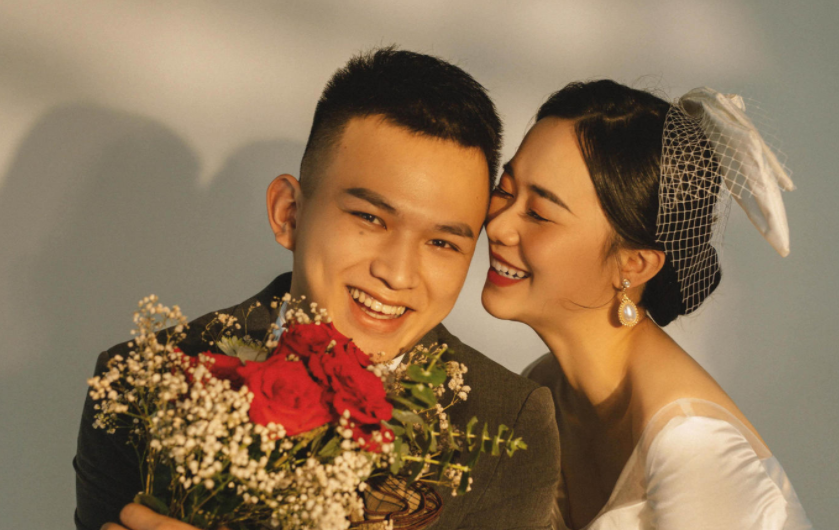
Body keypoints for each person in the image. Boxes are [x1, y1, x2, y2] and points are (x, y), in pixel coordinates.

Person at [75, 48, 561, 530]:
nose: (397, 274)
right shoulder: (138, 381)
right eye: (370, 218)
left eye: (441, 242)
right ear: (289, 213)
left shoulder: (509, 422)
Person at [482, 80, 812, 529]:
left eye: (539, 213)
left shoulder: (694, 449)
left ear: (634, 264)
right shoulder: (547, 389)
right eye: (504, 189)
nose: (498, 225)